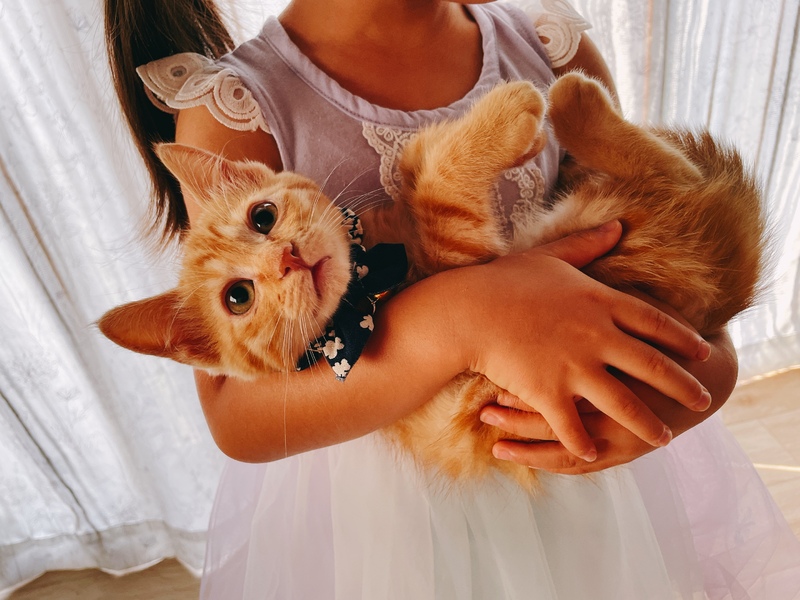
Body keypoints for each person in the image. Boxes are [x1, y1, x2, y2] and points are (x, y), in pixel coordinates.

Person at [104, 0, 800, 598]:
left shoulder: (549, 45)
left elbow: (660, 253)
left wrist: (705, 379)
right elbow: (237, 419)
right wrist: (461, 317)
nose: (277, 253)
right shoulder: (238, 109)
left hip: (581, 467)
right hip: (400, 518)